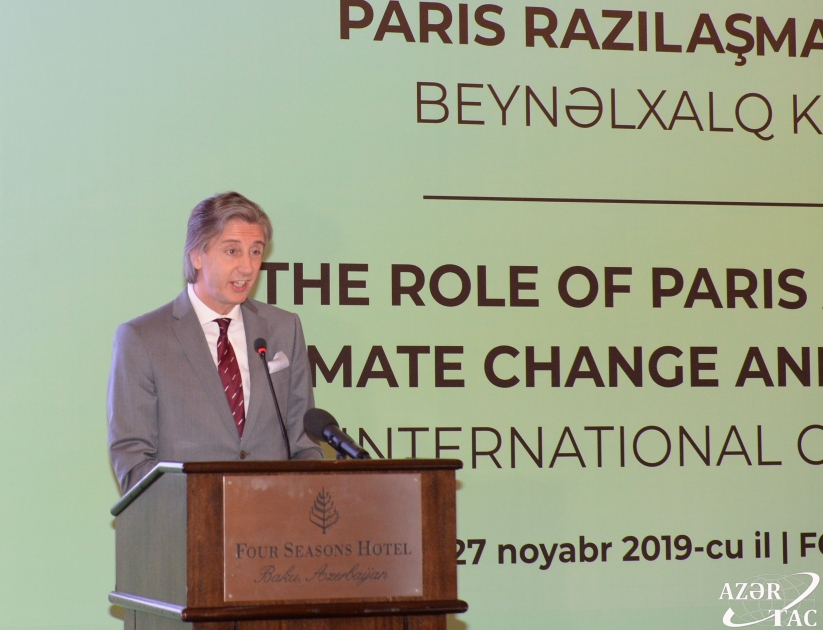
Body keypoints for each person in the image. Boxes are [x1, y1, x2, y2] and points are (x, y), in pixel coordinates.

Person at [108, 192, 322, 493]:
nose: (247, 267)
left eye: (256, 252)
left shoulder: (284, 329)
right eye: (232, 251)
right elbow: (134, 461)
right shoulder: (142, 338)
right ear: (197, 255)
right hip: (189, 517)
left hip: (274, 515)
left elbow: (304, 445)